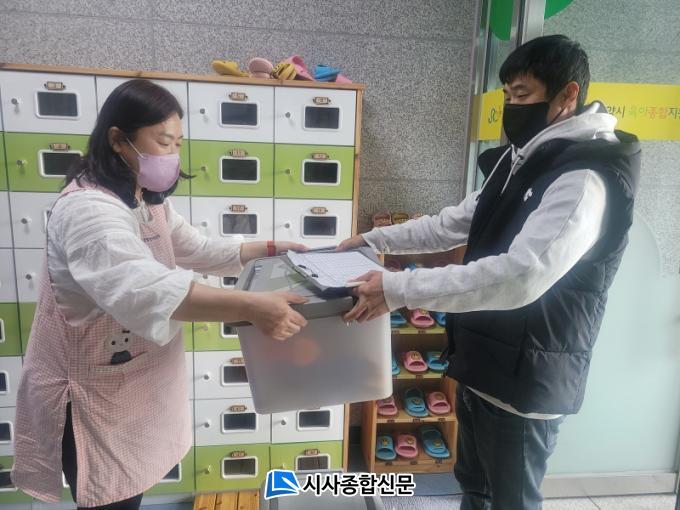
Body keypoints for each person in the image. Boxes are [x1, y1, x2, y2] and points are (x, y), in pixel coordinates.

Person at [339, 35, 640, 509]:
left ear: (568, 94)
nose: (511, 107)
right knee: (475, 490)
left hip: (526, 382)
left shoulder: (583, 179)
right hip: (482, 366)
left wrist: (398, 288)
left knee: (511, 501)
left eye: (522, 94)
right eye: (507, 95)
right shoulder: (519, 161)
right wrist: (373, 240)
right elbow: (449, 225)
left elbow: (520, 276)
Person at [11, 79, 309, 509]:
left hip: (135, 385)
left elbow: (198, 250)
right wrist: (251, 306)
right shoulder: (87, 210)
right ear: (119, 139)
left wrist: (268, 249)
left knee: (130, 492)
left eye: (177, 144)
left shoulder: (145, 199)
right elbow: (148, 289)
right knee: (111, 498)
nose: (172, 155)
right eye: (163, 142)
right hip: (93, 397)